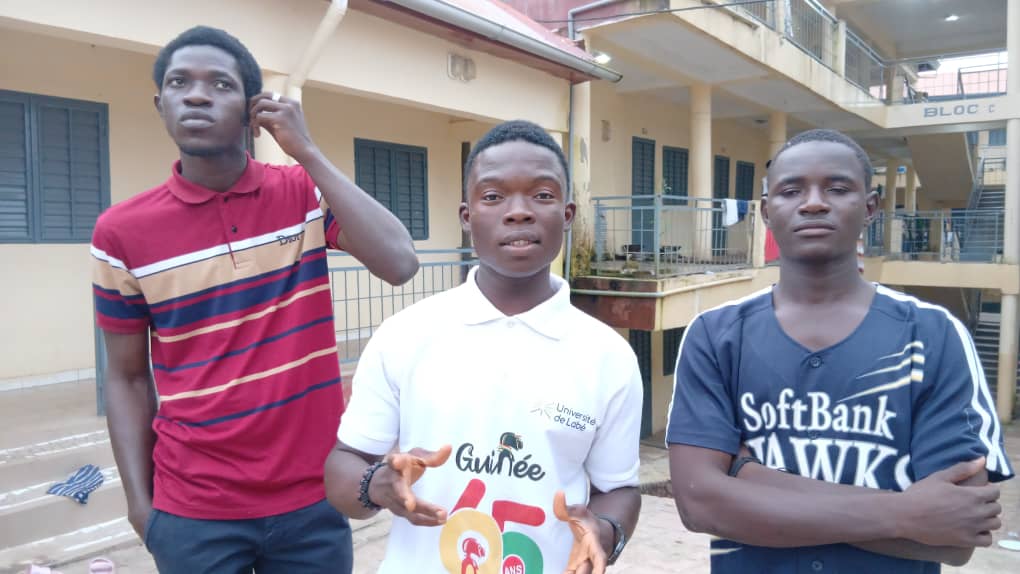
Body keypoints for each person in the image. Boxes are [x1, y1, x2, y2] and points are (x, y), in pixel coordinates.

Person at [90, 26, 419, 573]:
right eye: (179, 83)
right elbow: (124, 377)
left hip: (314, 499)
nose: (196, 95)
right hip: (192, 511)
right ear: (160, 104)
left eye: (220, 84)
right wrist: (141, 507)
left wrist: (307, 151)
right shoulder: (120, 232)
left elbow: (399, 263)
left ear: (252, 110)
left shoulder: (302, 194)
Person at [667, 128, 1012, 573]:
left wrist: (750, 479)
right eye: (791, 190)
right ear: (766, 211)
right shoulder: (715, 335)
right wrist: (906, 513)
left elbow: (954, 536)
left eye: (837, 188)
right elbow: (701, 506)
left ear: (870, 207)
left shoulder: (933, 334)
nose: (813, 202)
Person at [323, 120, 643, 573]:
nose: (518, 212)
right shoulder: (406, 335)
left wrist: (606, 532)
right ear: (466, 215)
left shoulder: (608, 357)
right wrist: (378, 484)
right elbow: (343, 465)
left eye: (543, 195)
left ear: (567, 215)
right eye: (493, 197)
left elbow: (620, 488)